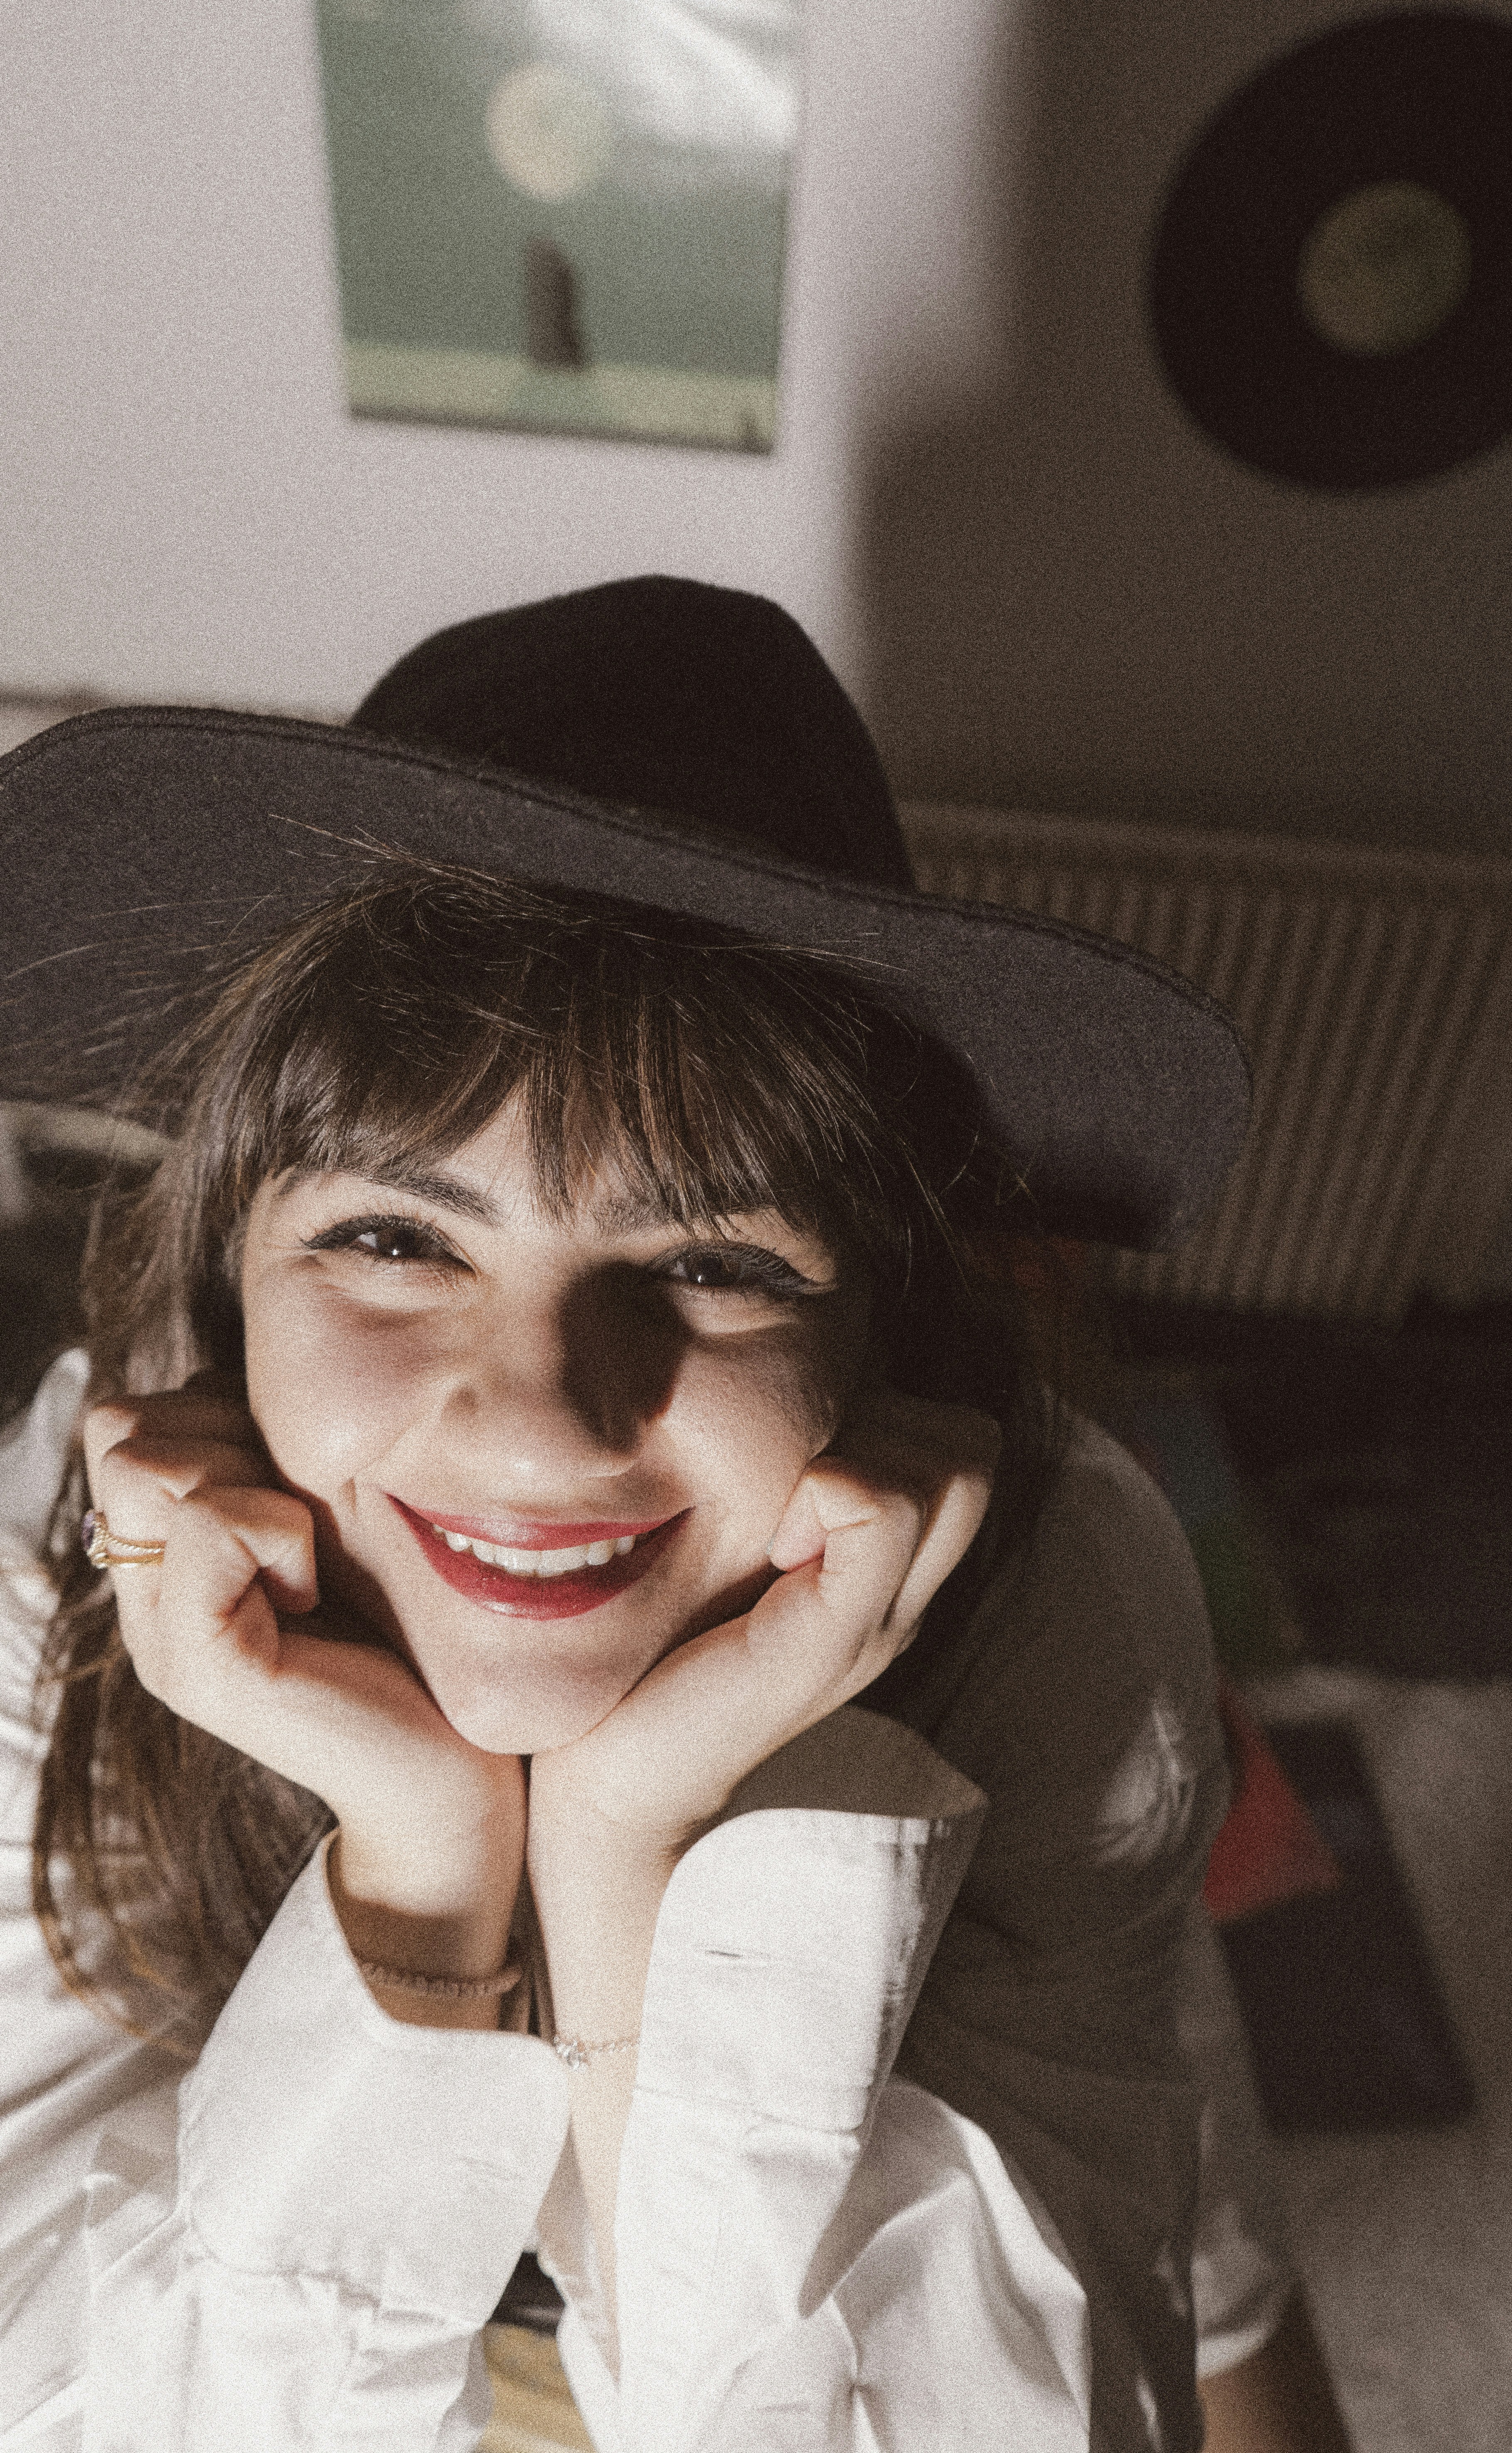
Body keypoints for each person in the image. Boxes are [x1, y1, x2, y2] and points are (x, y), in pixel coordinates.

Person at [0, 578, 1308, 2451]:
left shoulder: (1059, 1579)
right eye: (391, 1236)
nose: (538, 1429)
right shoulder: (64, 1549)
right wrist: (424, 1865)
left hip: (968, 2127)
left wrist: (626, 1853)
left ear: (882, 1312)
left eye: (703, 1257)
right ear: (229, 1270)